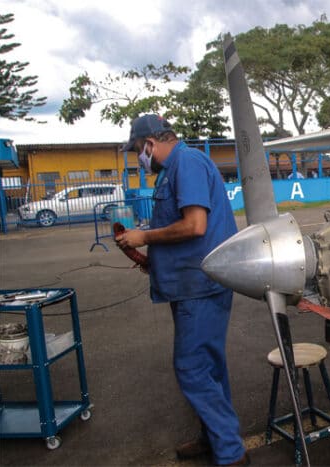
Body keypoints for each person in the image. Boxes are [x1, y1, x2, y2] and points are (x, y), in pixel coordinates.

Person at [116, 114, 248, 466]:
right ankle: (214, 438)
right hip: (192, 284)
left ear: (150, 143)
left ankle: (231, 454)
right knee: (209, 368)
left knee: (191, 368)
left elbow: (194, 225)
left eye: (137, 151)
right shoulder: (174, 169)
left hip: (199, 288)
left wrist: (143, 236)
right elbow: (181, 230)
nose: (138, 158)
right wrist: (150, 259)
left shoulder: (185, 162)